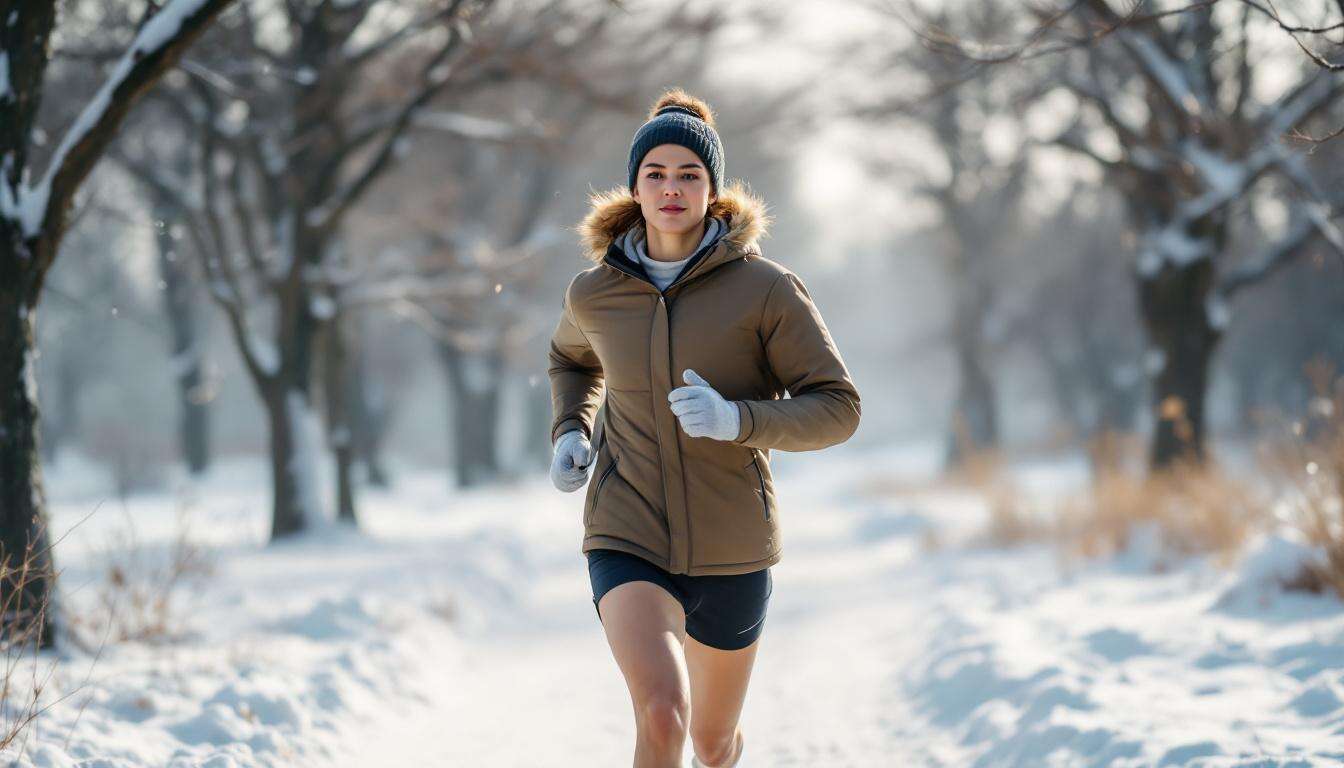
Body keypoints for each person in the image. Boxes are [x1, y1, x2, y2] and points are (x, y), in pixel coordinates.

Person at [547, 87, 861, 768]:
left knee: (712, 744)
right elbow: (570, 360)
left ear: (713, 190)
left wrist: (737, 419)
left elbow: (838, 407)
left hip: (733, 545)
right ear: (634, 185)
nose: (671, 189)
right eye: (655, 173)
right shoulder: (595, 292)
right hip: (625, 530)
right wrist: (570, 429)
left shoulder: (766, 289)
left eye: (689, 175)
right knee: (662, 714)